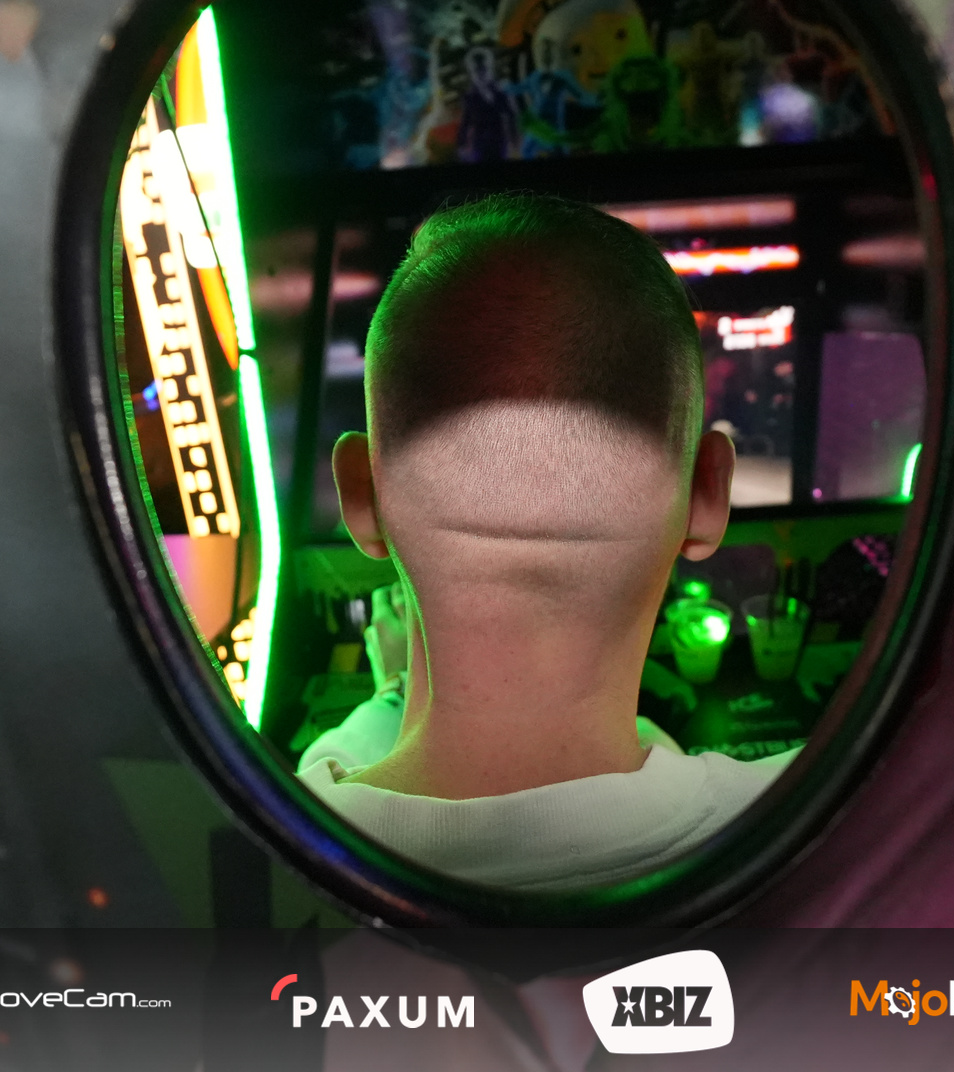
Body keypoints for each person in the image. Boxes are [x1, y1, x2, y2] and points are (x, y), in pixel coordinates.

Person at [295, 193, 795, 891]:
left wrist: (391, 696)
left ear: (359, 497)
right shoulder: (833, 820)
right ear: (710, 493)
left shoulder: (280, 830)